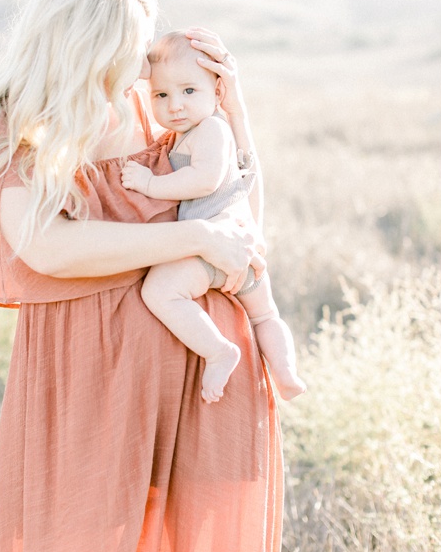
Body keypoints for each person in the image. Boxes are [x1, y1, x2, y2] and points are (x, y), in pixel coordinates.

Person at [0, 0, 284, 552]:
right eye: (132, 49)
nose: (144, 67)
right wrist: (193, 235)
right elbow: (50, 250)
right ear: (83, 44)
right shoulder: (3, 131)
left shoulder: (157, 110)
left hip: (205, 365)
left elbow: (241, 225)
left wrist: (234, 117)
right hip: (87, 381)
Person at [121, 30, 306, 403]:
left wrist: (149, 184)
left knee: (160, 291)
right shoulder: (187, 133)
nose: (175, 105)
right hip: (240, 248)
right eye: (162, 95)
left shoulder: (211, 129)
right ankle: (285, 374)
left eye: (189, 91)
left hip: (215, 246)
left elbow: (204, 181)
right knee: (265, 316)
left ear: (217, 93)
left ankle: (220, 351)